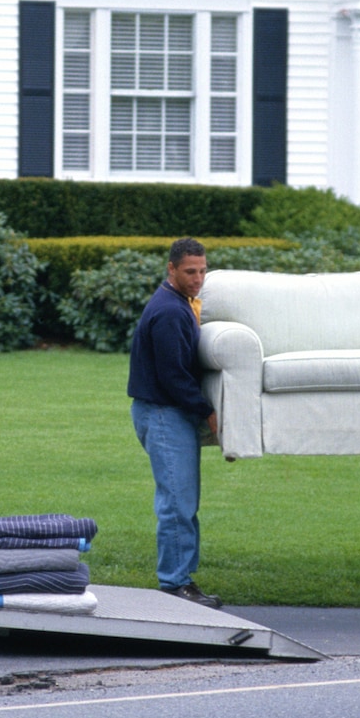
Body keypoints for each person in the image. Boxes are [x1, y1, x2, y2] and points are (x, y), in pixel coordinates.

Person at [127, 237, 221, 609]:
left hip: (168, 412)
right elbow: (174, 377)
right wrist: (209, 414)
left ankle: (181, 580)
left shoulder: (177, 303)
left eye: (202, 270)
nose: (198, 278)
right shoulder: (168, 312)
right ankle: (175, 586)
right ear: (171, 270)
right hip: (164, 414)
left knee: (183, 499)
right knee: (177, 502)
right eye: (190, 271)